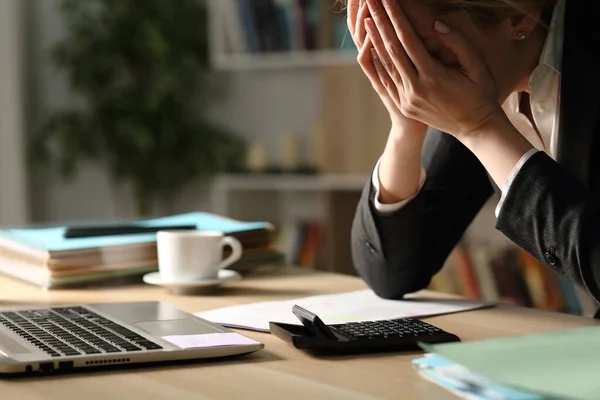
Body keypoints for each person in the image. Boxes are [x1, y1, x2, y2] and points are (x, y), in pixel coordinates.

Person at [347, 0, 600, 310]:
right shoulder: (461, 80)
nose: (415, 83)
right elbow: (391, 275)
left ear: (520, 15)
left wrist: (481, 128)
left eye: (423, 53)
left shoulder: (469, 88)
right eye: (395, 54)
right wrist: (404, 127)